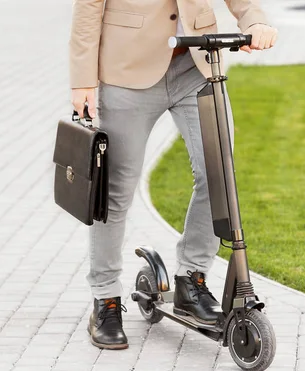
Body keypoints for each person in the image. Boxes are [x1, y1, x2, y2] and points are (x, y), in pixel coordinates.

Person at [70, 0, 277, 350]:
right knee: (116, 192)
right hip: (127, 72)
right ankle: (105, 300)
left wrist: (254, 20)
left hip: (197, 67)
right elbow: (88, 9)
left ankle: (190, 280)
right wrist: (82, 81)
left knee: (219, 176)